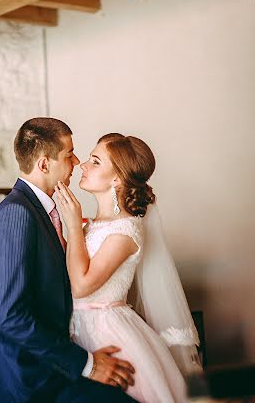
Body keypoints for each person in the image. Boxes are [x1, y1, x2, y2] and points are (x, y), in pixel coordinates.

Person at [0, 118, 137, 403]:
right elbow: (10, 317)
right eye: (69, 154)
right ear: (44, 164)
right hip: (28, 384)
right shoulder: (16, 214)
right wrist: (87, 364)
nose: (77, 162)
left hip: (53, 372)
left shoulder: (43, 211)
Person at [55, 133, 201, 403]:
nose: (83, 165)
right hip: (76, 329)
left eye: (95, 161)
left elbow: (82, 285)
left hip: (107, 333)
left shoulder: (126, 230)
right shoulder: (94, 225)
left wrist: (73, 225)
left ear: (116, 178)